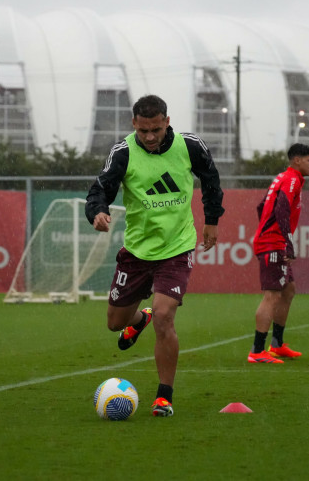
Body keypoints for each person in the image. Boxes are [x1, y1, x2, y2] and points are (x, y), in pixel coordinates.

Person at [85, 94, 224, 417]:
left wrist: (212, 220)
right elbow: (100, 188)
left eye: (156, 130)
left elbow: (211, 179)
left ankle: (164, 395)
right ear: (134, 124)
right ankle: (138, 318)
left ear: (167, 122)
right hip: (136, 250)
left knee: (165, 315)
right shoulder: (123, 152)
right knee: (114, 322)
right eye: (144, 130)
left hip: (176, 248)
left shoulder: (190, 146)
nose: (149, 137)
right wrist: (98, 212)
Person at [248, 143, 309, 363]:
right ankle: (257, 351)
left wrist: (267, 231)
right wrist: (284, 240)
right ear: (297, 160)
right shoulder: (292, 179)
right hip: (274, 243)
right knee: (272, 295)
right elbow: (281, 208)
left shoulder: (284, 178)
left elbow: (261, 206)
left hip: (271, 240)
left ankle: (276, 345)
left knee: (288, 290)